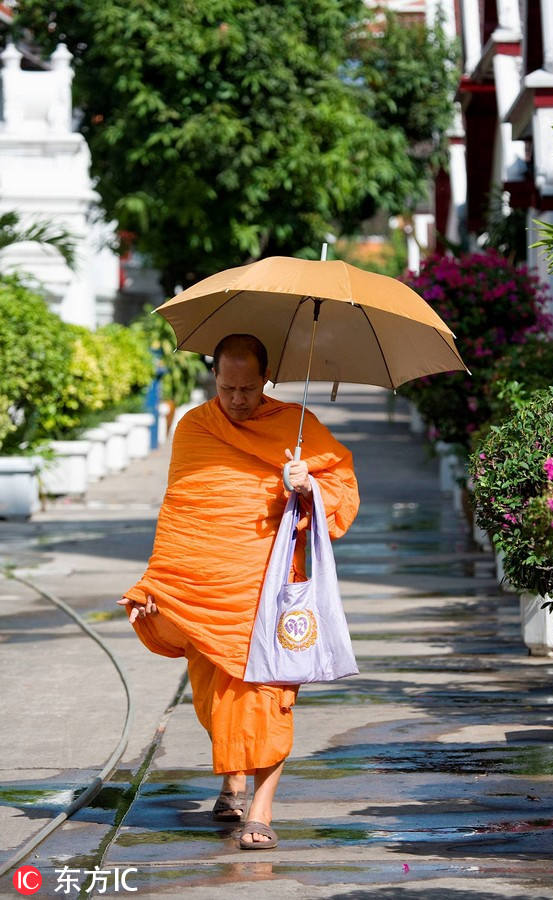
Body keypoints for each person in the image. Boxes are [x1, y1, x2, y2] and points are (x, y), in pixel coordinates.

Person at [117, 333, 359, 850]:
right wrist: (156, 582)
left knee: (268, 697)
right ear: (214, 380)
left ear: (265, 381)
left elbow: (340, 492)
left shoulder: (297, 430)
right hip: (209, 592)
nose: (238, 400)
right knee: (216, 702)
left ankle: (262, 811)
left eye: (248, 388)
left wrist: (307, 485)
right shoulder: (195, 427)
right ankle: (231, 783)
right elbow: (183, 514)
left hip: (268, 590)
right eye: (228, 388)